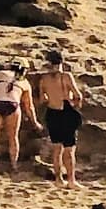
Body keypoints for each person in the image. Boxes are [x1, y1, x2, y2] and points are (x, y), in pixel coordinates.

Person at [32, 52, 84, 182]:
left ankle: (59, 180)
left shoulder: (44, 79)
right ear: (61, 62)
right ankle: (71, 180)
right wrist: (76, 107)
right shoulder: (66, 76)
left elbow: (42, 99)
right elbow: (78, 95)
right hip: (65, 112)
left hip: (52, 113)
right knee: (69, 150)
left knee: (57, 149)